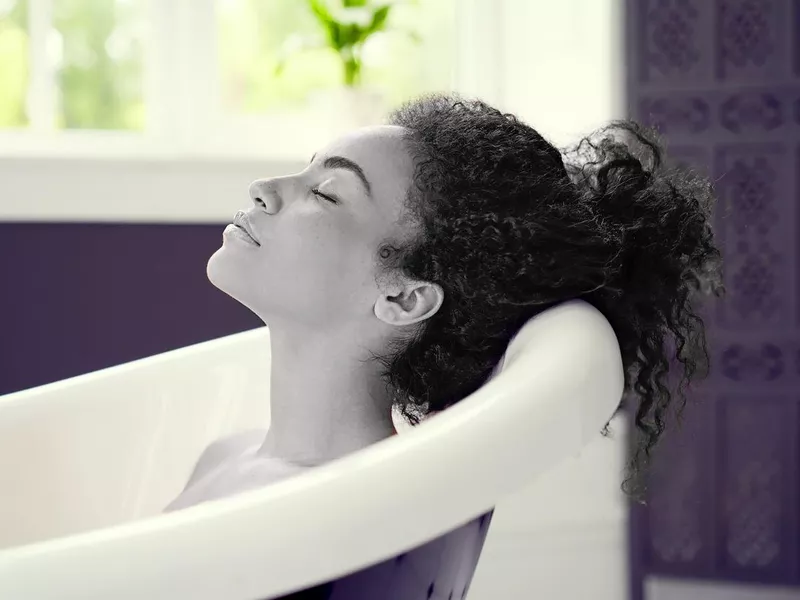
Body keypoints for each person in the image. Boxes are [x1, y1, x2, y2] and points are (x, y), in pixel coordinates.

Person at [164, 93, 723, 512]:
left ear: (404, 297)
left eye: (326, 192)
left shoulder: (323, 509)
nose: (264, 186)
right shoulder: (224, 457)